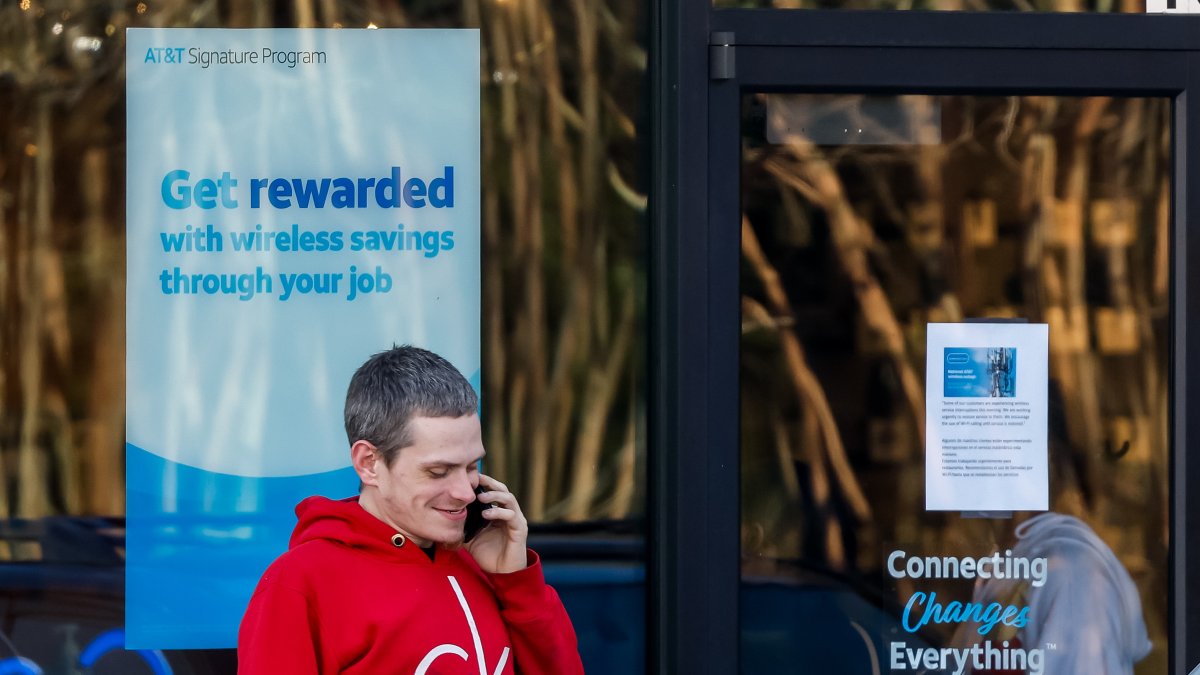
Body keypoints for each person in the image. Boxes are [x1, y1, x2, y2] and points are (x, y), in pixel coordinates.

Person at [238, 345, 585, 675]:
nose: (466, 492)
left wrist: (517, 583)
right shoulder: (301, 583)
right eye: (438, 472)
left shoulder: (483, 564)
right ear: (369, 463)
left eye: (471, 466)